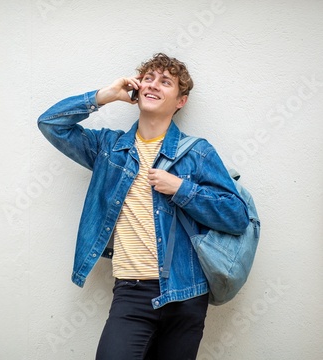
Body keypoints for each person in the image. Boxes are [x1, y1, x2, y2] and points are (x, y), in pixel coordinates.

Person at [37, 53, 249, 359]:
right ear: (137, 90)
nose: (154, 85)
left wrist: (181, 189)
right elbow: (50, 124)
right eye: (148, 78)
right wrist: (104, 96)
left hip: (187, 293)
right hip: (131, 292)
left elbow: (237, 215)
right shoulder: (109, 149)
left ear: (181, 101)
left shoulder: (197, 153)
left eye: (166, 82)